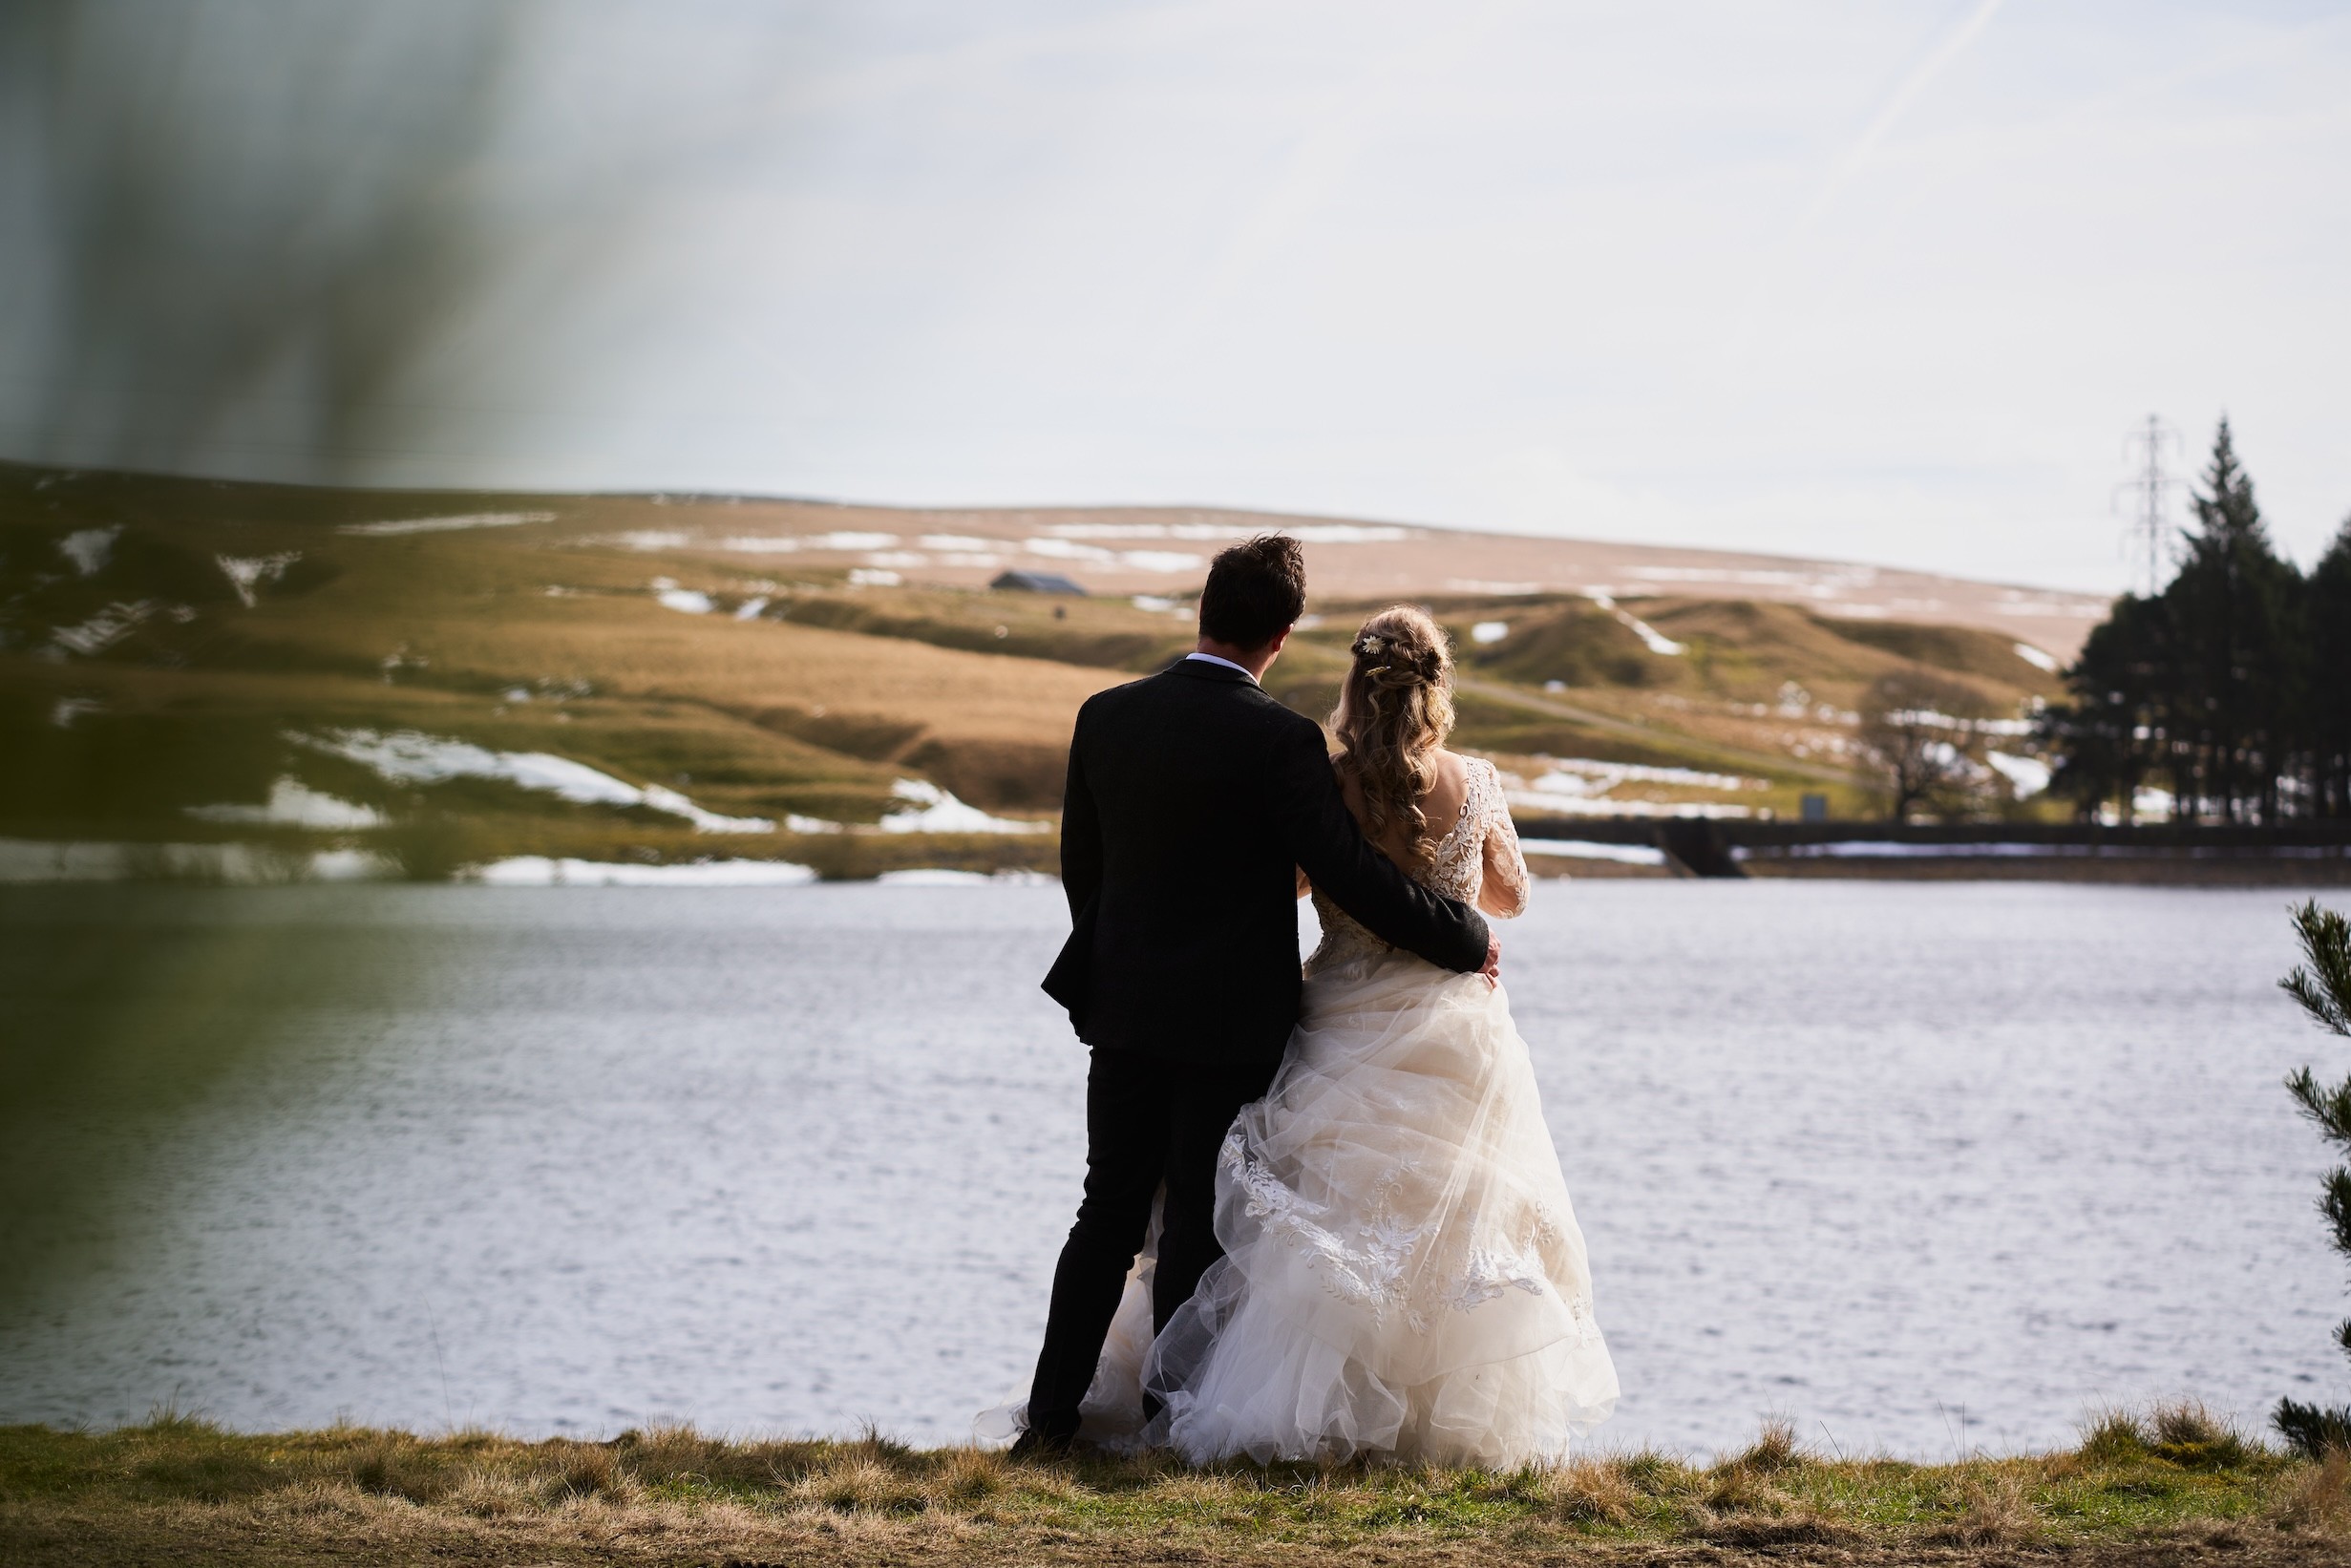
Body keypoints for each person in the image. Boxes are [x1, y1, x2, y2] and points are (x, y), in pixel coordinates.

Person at [1002, 537, 1496, 1459]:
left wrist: (1118, 968)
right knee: (1196, 1213)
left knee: (1105, 1210)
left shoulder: (1105, 716)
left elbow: (1085, 872)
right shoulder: (1280, 740)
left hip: (1124, 1010)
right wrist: (1463, 936)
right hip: (1231, 1024)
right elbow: (1349, 873)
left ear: (1205, 609)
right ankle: (1165, 1425)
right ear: (1283, 633)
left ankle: (1050, 1423)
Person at [1138, 604, 1618, 1466]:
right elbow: (1509, 898)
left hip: (1342, 1012)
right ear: (1438, 685)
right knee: (1448, 1220)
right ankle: (1427, 1421)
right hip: (1451, 1021)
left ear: (1357, 684)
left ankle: (1306, 1409)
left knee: (1324, 1217)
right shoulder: (1473, 781)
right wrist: (1454, 872)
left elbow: (1288, 884)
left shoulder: (1329, 781)